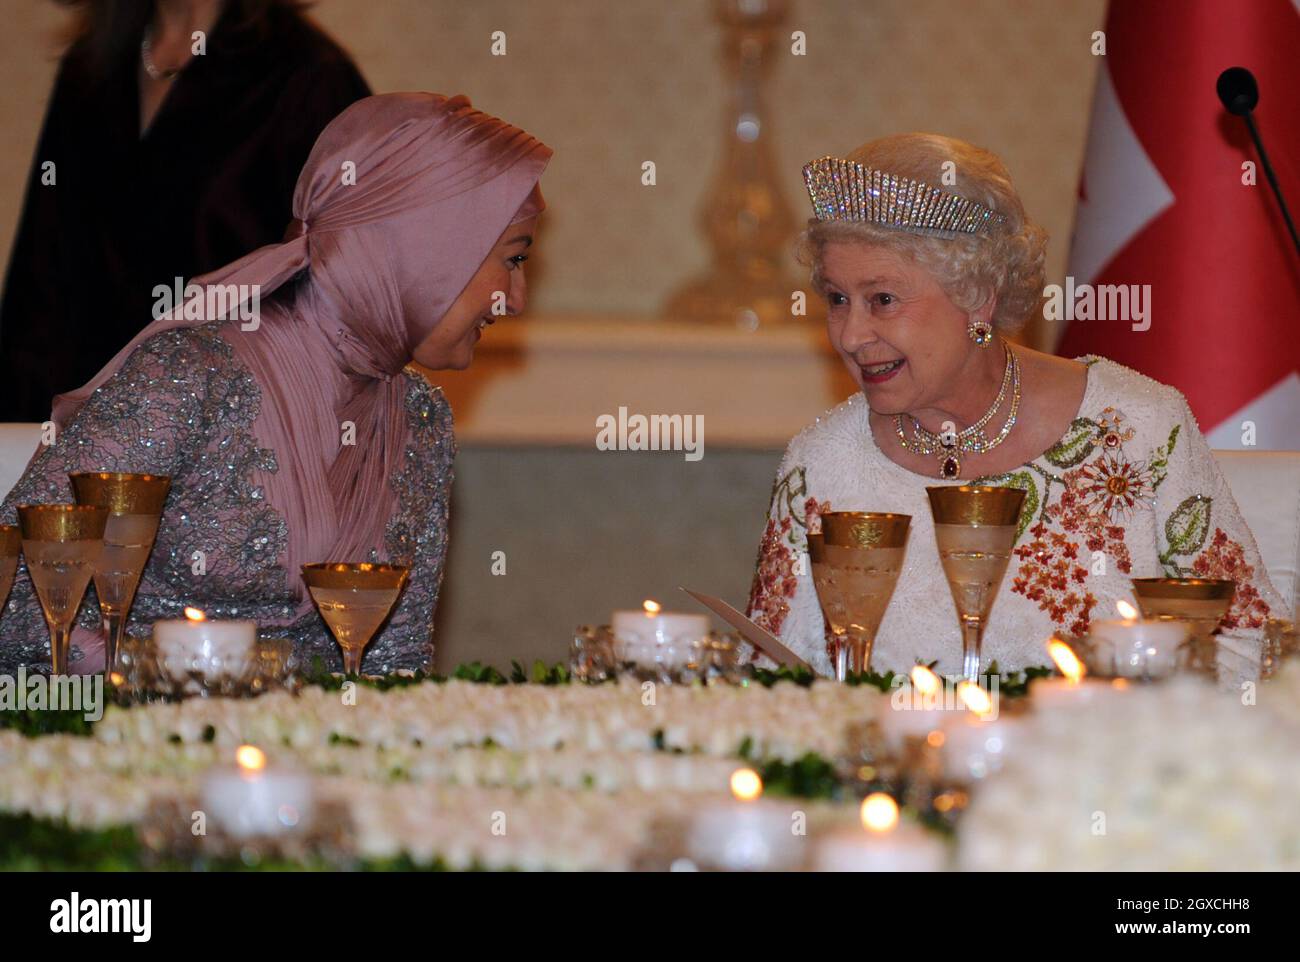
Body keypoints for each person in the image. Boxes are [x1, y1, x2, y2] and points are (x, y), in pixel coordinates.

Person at [0, 92, 551, 675]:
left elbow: (397, 663)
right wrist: (189, 682)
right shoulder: (192, 376)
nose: (516, 300)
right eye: (513, 260)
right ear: (423, 246)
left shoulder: (422, 417)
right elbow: (21, 609)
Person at [746, 133, 1283, 677]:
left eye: (882, 300)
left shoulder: (1138, 429)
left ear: (978, 295)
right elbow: (771, 687)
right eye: (838, 299)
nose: (853, 334)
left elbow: (1252, 651)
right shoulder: (820, 465)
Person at [0, 0, 370, 422]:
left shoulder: (310, 75)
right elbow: (40, 289)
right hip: (90, 449)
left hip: (244, 445)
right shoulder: (90, 70)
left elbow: (359, 298)